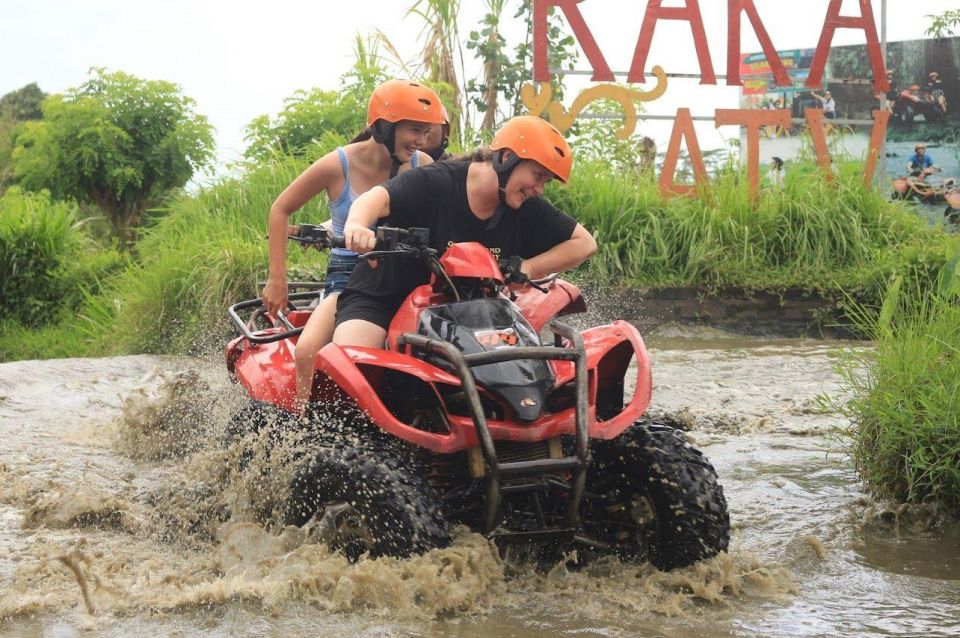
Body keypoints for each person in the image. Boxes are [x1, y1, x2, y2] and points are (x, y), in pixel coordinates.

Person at [333, 115, 598, 349]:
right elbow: (374, 199)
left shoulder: (524, 205)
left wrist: (528, 267)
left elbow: (584, 243)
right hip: (384, 297)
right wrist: (356, 226)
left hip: (464, 310)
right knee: (354, 357)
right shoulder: (436, 181)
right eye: (538, 176)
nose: (540, 189)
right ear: (507, 158)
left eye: (546, 182)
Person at [262, 79, 446, 409]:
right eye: (414, 130)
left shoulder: (423, 167)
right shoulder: (338, 165)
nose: (420, 141)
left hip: (407, 275)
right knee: (307, 350)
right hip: (350, 279)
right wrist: (278, 279)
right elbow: (280, 210)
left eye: (426, 132)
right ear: (384, 126)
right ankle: (305, 435)